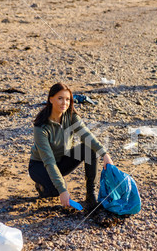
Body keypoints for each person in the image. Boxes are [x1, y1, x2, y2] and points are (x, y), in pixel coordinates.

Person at [28, 82, 113, 213]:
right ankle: (42, 187)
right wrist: (63, 190)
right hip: (40, 165)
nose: (64, 103)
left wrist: (104, 154)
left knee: (89, 149)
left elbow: (87, 136)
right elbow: (49, 161)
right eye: (60, 98)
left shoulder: (71, 116)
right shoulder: (41, 127)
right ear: (51, 99)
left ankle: (91, 194)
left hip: (62, 160)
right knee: (55, 191)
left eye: (67, 99)